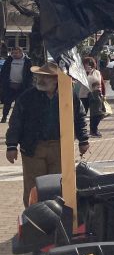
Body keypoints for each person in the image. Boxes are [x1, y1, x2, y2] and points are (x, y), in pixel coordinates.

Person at [5, 61, 89, 206]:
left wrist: (83, 140)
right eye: (39, 76)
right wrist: (11, 146)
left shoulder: (68, 95)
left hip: (60, 147)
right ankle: (33, 215)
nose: (41, 79)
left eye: (46, 77)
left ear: (56, 79)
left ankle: (57, 215)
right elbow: (16, 122)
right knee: (34, 186)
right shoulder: (27, 97)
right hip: (33, 147)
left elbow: (79, 117)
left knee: (59, 183)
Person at [0, 45, 32, 123]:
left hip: (21, 87)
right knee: (7, 103)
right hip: (10, 86)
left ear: (21, 52)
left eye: (16, 53)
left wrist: (28, 85)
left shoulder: (27, 61)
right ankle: (4, 117)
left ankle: (18, 119)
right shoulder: (9, 60)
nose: (14, 55)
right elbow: (3, 72)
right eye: (13, 53)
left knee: (20, 104)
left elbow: (30, 74)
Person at [81, 57, 106, 137]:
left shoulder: (97, 72)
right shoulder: (81, 73)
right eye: (85, 64)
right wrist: (87, 73)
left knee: (96, 114)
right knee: (81, 114)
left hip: (95, 95)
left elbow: (101, 83)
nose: (87, 66)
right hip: (83, 95)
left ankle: (94, 130)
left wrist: (103, 94)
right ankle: (80, 131)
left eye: (89, 64)